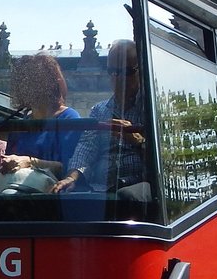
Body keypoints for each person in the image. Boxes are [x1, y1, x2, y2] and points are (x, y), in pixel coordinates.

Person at [52, 39, 151, 202]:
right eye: (112, 71)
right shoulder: (99, 110)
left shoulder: (150, 111)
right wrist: (72, 177)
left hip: (138, 188)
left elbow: (166, 164)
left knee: (128, 197)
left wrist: (138, 142)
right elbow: (85, 148)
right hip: (100, 189)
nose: (117, 77)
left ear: (141, 70)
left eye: (126, 71)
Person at [0, 52, 82, 183]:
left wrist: (30, 162)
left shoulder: (69, 119)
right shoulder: (19, 125)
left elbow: (68, 167)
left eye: (34, 82)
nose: (27, 87)